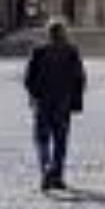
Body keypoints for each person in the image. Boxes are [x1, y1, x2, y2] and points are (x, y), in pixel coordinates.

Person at [24, 18, 86, 191]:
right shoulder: (71, 52)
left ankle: (46, 169)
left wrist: (36, 95)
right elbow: (79, 78)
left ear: (48, 33)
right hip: (62, 104)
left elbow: (29, 79)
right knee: (60, 140)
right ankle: (57, 176)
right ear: (64, 32)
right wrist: (75, 100)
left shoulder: (38, 51)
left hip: (42, 103)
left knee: (42, 138)